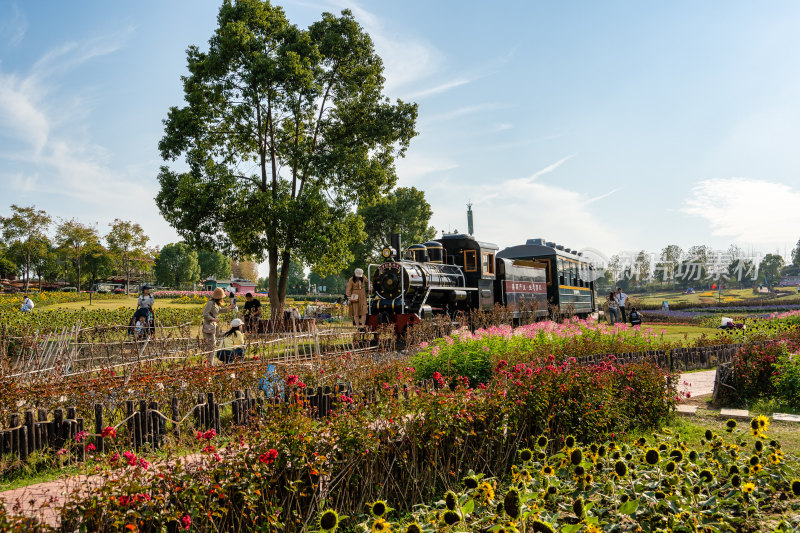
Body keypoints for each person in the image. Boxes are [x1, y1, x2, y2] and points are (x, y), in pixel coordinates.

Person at [202, 287, 232, 364]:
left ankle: (210, 364)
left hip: (213, 326)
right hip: (208, 326)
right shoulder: (210, 303)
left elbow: (220, 310)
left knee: (213, 345)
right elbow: (205, 314)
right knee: (211, 345)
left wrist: (229, 308)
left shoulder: (216, 303)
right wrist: (213, 319)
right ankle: (210, 365)